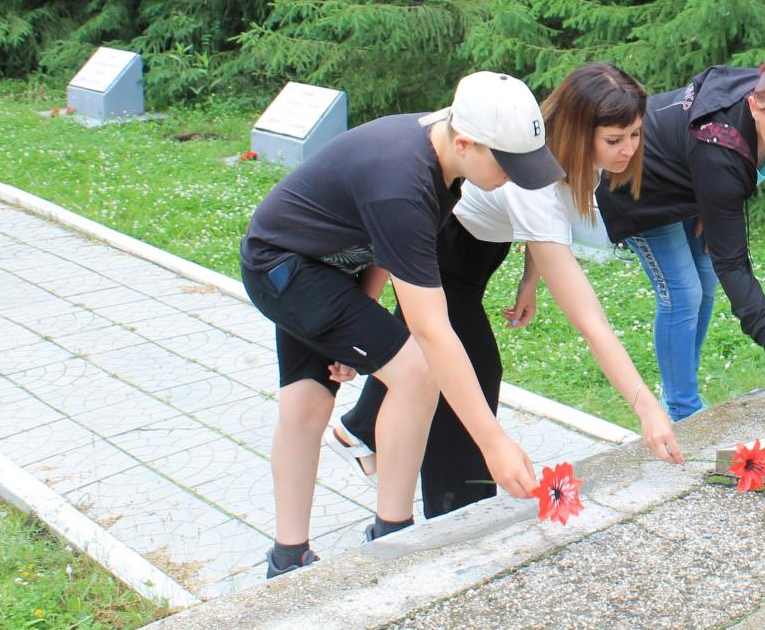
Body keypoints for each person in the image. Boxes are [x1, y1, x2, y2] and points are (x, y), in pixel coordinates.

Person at [239, 71, 562, 578]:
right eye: (509, 163)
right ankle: (393, 535)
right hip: (284, 269)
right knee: (416, 373)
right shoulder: (404, 179)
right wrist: (493, 442)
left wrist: (356, 321)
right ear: (465, 142)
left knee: (306, 400)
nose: (516, 176)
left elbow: (382, 248)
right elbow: (431, 328)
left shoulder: (441, 164)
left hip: (321, 265)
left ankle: (289, 555)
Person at [326, 63, 686, 515]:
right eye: (614, 140)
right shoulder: (529, 176)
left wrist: (529, 280)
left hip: (476, 257)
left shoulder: (572, 162)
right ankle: (457, 512)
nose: (627, 151)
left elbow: (548, 229)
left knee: (435, 359)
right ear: (575, 131)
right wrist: (646, 407)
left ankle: (360, 429)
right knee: (470, 371)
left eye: (634, 135)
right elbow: (589, 319)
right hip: (443, 251)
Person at [596, 58, 765, 421]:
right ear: (754, 105)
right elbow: (733, 261)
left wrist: (708, 203)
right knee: (683, 294)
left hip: (690, 179)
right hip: (639, 187)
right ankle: (683, 411)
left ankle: (683, 388)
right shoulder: (719, 152)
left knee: (705, 283)